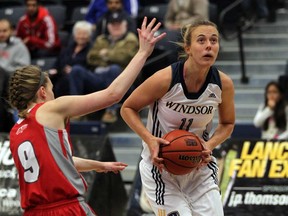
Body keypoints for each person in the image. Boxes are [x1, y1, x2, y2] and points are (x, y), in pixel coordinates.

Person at [7, 17, 165, 215]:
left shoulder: (15, 131)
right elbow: (112, 95)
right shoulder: (51, 109)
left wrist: (98, 165)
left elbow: (58, 161)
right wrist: (142, 53)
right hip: (65, 208)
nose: (54, 94)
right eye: (52, 89)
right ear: (42, 92)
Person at [120, 20, 235, 215]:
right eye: (201, 40)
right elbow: (128, 108)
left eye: (214, 40)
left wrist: (209, 145)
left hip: (199, 167)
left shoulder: (223, 84)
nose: (209, 45)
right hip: (161, 167)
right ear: (188, 48)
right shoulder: (165, 78)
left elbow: (227, 123)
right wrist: (149, 139)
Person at [69, 11, 139, 123]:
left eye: (119, 24)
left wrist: (106, 54)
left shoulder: (131, 39)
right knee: (76, 70)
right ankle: (76, 110)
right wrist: (112, 55)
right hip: (99, 77)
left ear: (125, 25)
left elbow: (125, 58)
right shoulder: (101, 39)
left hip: (123, 82)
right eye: (113, 24)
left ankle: (110, 111)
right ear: (108, 26)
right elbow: (91, 57)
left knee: (114, 69)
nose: (116, 27)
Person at [0, 18, 31, 132]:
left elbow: (24, 69)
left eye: (4, 31)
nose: (1, 34)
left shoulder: (19, 46)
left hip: (12, 82)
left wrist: (4, 69)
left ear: (11, 31)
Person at [50, 20, 93, 97]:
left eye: (84, 34)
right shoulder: (68, 48)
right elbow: (57, 64)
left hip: (81, 83)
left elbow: (91, 69)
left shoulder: (92, 50)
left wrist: (73, 70)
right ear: (74, 35)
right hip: (62, 79)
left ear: (89, 36)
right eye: (79, 33)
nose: (81, 36)